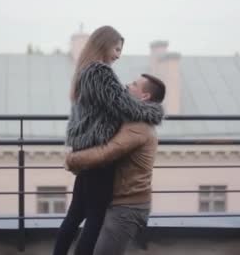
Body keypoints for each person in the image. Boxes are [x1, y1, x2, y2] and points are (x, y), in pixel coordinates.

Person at [52, 26, 164, 255]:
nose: (118, 55)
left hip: (86, 149)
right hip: (98, 157)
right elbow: (124, 104)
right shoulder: (101, 72)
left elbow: (111, 103)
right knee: (94, 219)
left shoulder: (85, 70)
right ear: (104, 44)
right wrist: (154, 112)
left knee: (74, 216)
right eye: (117, 48)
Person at [65, 74, 166, 255]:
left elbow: (107, 152)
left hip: (127, 208)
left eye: (134, 84)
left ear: (144, 96)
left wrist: (72, 159)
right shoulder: (130, 117)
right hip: (116, 203)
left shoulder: (139, 127)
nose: (127, 85)